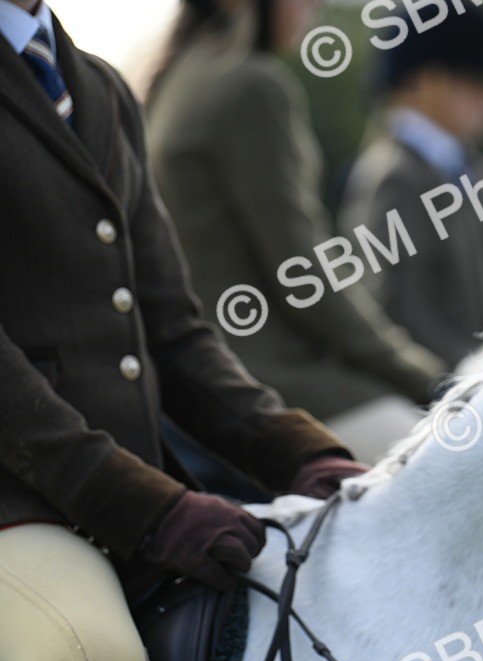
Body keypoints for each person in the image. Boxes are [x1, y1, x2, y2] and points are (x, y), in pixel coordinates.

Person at [0, 1, 369, 661]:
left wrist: (302, 451)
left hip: (117, 497)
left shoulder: (97, 86)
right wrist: (149, 509)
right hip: (16, 506)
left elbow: (172, 329)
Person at [146, 0, 446, 464]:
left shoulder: (175, 78)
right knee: (458, 461)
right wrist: (425, 376)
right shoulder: (251, 85)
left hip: (197, 376)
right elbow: (306, 275)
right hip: (270, 378)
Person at [339, 3, 483, 368]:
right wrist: (480, 375)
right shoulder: (392, 176)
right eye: (476, 82)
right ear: (427, 81)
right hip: (432, 394)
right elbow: (396, 308)